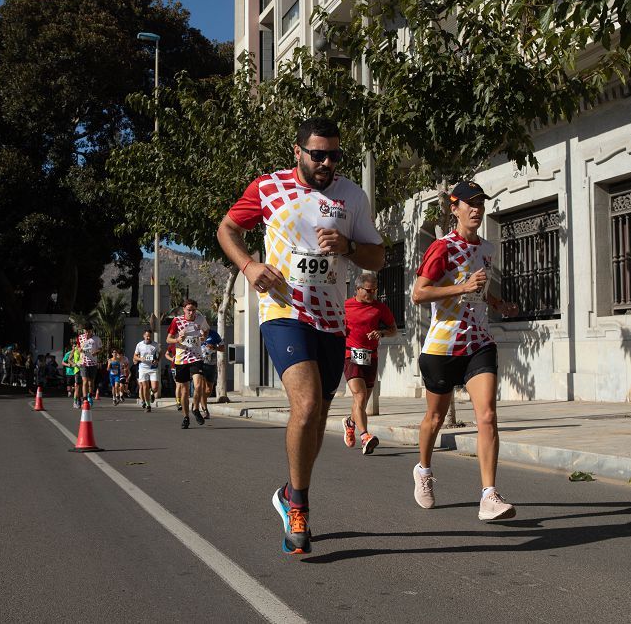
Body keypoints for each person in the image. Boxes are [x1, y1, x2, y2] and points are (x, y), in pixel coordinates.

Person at [217, 117, 385, 554]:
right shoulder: (268, 188)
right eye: (318, 154)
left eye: (334, 155)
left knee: (314, 422)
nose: (327, 162)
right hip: (283, 310)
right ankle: (300, 509)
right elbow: (227, 229)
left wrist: (348, 247)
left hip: (332, 321)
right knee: (306, 404)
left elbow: (379, 256)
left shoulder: (351, 195)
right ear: (298, 152)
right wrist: (250, 266)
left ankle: (290, 491)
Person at [410, 180, 520, 520]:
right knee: (435, 419)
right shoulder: (442, 248)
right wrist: (461, 285)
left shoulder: (486, 248)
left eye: (480, 203)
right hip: (443, 346)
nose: (476, 209)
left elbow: (478, 292)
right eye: (469, 203)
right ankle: (424, 472)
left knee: (487, 415)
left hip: (478, 343)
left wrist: (498, 303)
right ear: (453, 208)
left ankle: (489, 495)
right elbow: (418, 293)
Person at [341, 272, 398, 455]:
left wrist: (380, 333)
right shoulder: (345, 306)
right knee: (359, 395)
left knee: (363, 400)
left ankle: (350, 423)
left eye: (374, 290)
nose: (372, 293)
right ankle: (365, 436)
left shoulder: (380, 308)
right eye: (368, 290)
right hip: (350, 355)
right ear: (357, 289)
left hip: (370, 357)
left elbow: (393, 330)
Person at [167, 299, 210, 429]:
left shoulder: (201, 319)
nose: (191, 312)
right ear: (184, 309)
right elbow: (168, 339)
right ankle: (186, 417)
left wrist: (204, 336)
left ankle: (195, 408)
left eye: (193, 310)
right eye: (188, 310)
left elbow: (206, 330)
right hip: (181, 359)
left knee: (198, 385)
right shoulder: (177, 321)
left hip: (196, 357)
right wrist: (177, 339)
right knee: (184, 391)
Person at [198, 326, 225, 419]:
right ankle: (205, 410)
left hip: (211, 365)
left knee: (208, 390)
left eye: (206, 330)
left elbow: (223, 348)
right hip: (199, 364)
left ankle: (201, 399)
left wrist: (214, 347)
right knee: (201, 387)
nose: (204, 332)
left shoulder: (214, 335)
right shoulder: (196, 334)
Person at [133, 329, 160, 412]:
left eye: (149, 336)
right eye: (146, 336)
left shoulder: (155, 345)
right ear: (144, 336)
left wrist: (157, 360)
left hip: (152, 368)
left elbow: (159, 354)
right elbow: (134, 356)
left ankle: (152, 393)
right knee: (145, 386)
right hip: (143, 368)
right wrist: (140, 358)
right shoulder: (139, 345)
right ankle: (148, 405)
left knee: (155, 387)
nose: (148, 337)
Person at [77, 324, 102, 406]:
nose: (87, 333)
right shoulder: (80, 337)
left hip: (93, 363)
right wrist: (79, 349)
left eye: (88, 331)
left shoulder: (96, 339)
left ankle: (90, 396)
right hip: (83, 362)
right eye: (85, 331)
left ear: (91, 331)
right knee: (85, 381)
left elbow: (100, 349)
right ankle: (84, 400)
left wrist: (96, 352)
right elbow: (78, 347)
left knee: (91, 382)